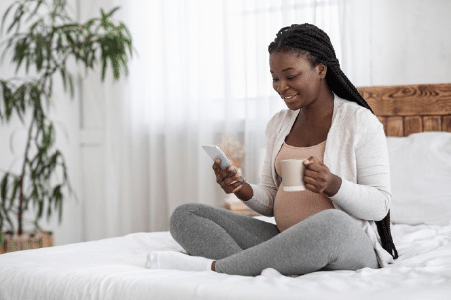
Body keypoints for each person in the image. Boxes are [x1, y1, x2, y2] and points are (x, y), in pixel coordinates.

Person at [147, 23, 398, 276]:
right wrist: (241, 188)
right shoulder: (279, 124)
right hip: (285, 239)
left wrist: (333, 184)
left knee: (332, 224)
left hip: (344, 243)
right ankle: (257, 266)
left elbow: (380, 206)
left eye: (290, 76)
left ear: (320, 69)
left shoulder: (359, 122)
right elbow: (270, 200)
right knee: (186, 215)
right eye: (275, 78)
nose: (280, 86)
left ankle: (217, 268)